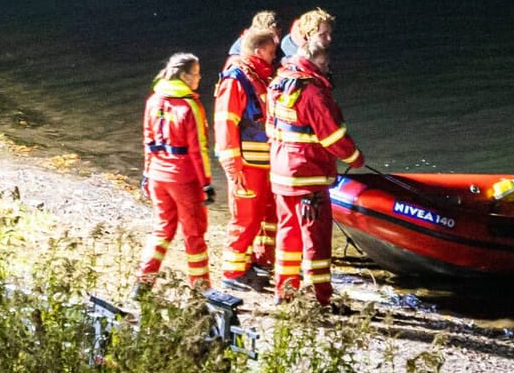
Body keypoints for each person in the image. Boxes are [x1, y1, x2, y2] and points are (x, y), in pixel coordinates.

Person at [266, 36, 364, 306]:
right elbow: (333, 137)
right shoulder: (313, 92)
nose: (328, 67)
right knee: (315, 241)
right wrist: (356, 159)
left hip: (281, 174)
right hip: (308, 177)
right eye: (326, 62)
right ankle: (320, 299)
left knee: (287, 234)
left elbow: (270, 127)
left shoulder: (278, 83)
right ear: (319, 61)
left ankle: (284, 293)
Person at [134, 52, 215, 293]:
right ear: (183, 75)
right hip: (184, 180)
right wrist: (206, 183)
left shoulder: (153, 101)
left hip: (159, 176)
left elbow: (148, 142)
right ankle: (200, 290)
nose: (199, 78)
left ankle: (143, 282)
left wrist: (147, 175)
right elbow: (198, 149)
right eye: (196, 73)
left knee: (162, 230)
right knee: (194, 235)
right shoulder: (190, 105)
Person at [214, 27, 279, 290]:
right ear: (257, 50)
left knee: (258, 217)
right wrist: (233, 166)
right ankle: (231, 273)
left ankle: (246, 263)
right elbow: (225, 125)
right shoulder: (236, 79)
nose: (274, 57)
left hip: (261, 162)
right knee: (245, 217)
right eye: (271, 52)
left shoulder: (258, 77)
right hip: (247, 164)